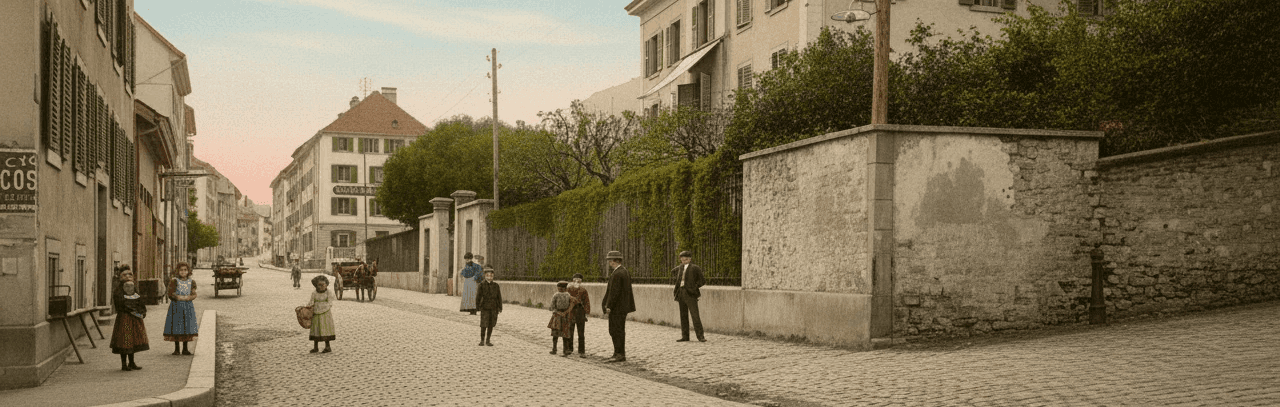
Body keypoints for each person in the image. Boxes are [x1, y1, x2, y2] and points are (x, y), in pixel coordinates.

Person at [110, 266, 149, 371]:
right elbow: (119, 303)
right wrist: (130, 309)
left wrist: (142, 311)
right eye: (125, 275)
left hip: (134, 318)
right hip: (124, 317)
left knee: (133, 340)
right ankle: (124, 364)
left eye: (129, 274)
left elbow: (139, 300)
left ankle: (132, 362)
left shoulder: (134, 288)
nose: (127, 276)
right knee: (124, 340)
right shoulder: (118, 290)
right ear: (120, 276)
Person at [601, 250, 634, 363]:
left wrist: (609, 306)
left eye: (610, 260)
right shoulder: (623, 271)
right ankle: (618, 353)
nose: (609, 263)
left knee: (615, 330)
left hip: (617, 308)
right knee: (618, 330)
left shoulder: (617, 273)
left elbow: (614, 292)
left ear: (614, 261)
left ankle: (619, 354)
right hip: (622, 307)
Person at [163, 262, 199, 355]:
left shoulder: (191, 282)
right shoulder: (174, 281)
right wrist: (178, 297)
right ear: (178, 271)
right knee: (176, 325)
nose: (183, 272)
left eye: (185, 270)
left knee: (186, 326)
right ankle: (176, 348)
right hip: (176, 307)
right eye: (181, 270)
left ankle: (185, 348)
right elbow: (170, 293)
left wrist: (189, 297)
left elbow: (194, 293)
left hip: (187, 306)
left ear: (188, 271)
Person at [672, 250, 707, 342]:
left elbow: (702, 281)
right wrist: (677, 288)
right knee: (683, 315)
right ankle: (685, 336)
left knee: (695, 315)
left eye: (686, 259)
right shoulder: (680, 267)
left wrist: (694, 287)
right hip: (681, 293)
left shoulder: (695, 268)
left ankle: (700, 336)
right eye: (682, 260)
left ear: (690, 259)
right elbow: (673, 273)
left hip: (691, 293)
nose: (684, 261)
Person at [307, 275, 337, 353]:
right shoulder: (314, 293)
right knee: (316, 329)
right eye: (319, 285)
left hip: (325, 313)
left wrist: (323, 308)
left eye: (323, 285)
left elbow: (330, 302)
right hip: (316, 312)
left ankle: (327, 346)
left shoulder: (328, 292)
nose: (321, 287)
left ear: (326, 284)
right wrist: (308, 307)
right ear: (316, 285)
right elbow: (311, 301)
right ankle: (315, 347)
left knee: (325, 328)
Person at [548, 281, 578, 356]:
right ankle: (562, 350)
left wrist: (557, 312)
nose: (560, 289)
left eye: (561, 288)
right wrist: (564, 312)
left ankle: (557, 349)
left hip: (559, 315)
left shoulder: (558, 295)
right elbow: (572, 304)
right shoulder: (567, 295)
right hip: (563, 315)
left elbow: (552, 306)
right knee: (563, 334)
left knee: (558, 334)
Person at [475, 266, 503, 346]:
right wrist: (477, 307)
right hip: (485, 307)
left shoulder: (496, 285)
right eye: (488, 275)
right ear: (485, 276)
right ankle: (482, 340)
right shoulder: (481, 285)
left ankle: (488, 340)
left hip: (494, 307)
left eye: (491, 275)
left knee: (491, 324)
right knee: (484, 324)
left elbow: (499, 297)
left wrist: (500, 307)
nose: (490, 277)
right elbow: (478, 297)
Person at [566, 273, 591, 358]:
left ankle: (581, 351)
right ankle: (569, 349)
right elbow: (565, 300)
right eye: (575, 280)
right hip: (571, 312)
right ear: (573, 281)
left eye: (578, 280)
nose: (576, 282)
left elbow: (587, 302)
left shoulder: (583, 290)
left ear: (581, 282)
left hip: (580, 312)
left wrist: (587, 313)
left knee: (581, 332)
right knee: (570, 331)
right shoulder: (568, 290)